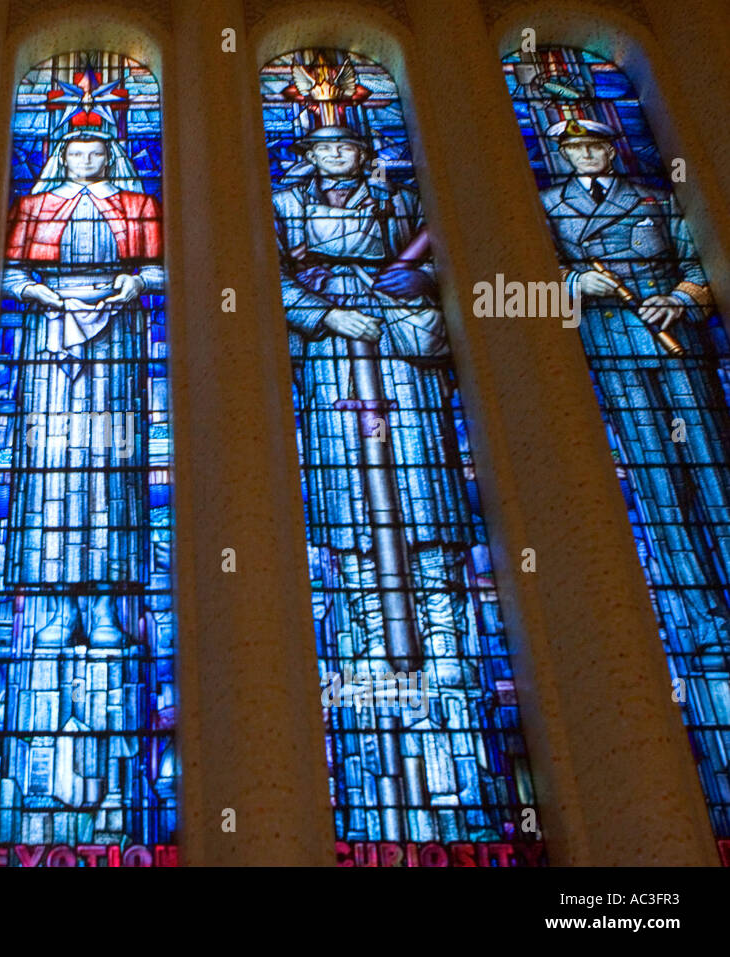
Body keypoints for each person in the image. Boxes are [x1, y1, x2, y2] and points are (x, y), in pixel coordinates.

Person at [272, 125, 486, 842]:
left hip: (403, 366)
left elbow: (443, 269)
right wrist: (326, 310)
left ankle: (444, 636)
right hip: (334, 363)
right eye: (325, 148)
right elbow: (264, 277)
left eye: (348, 147)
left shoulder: (398, 205)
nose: (337, 157)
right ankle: (366, 637)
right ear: (311, 157)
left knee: (424, 499)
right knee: (349, 510)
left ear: (364, 154)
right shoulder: (284, 204)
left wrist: (408, 289)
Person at [0, 126, 162, 839]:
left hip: (115, 344)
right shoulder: (36, 208)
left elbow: (159, 270)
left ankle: (104, 605)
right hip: (50, 347)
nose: (87, 161)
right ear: (63, 158)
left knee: (108, 473)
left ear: (109, 158)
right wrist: (44, 295)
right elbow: (5, 272)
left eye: (97, 154)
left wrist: (127, 286)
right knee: (54, 472)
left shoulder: (136, 202)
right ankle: (58, 601)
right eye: (77, 154)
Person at [539, 117, 730, 674]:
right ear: (565, 156)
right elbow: (530, 274)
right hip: (613, 340)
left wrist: (681, 299)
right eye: (576, 149)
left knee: (713, 464)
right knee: (658, 478)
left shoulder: (652, 196)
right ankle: (705, 621)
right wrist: (575, 284)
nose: (587, 156)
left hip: (675, 341)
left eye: (595, 146)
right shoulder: (548, 207)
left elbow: (698, 263)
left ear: (610, 149)